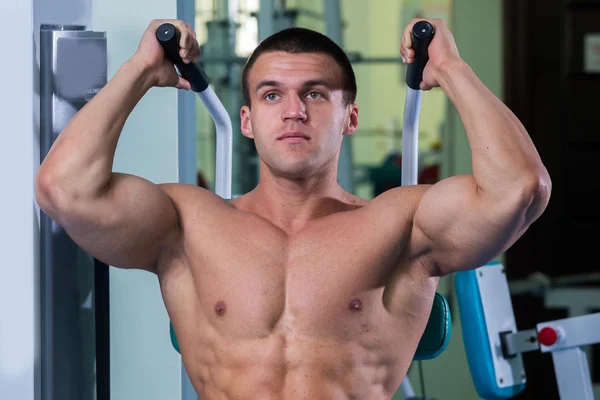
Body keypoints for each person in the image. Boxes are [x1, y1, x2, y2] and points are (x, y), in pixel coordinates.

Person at [35, 18, 551, 399]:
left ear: (350, 118)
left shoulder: (402, 225)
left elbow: (520, 188)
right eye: (272, 95)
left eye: (316, 94)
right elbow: (64, 189)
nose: (294, 111)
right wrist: (142, 69)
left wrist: (450, 68)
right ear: (247, 120)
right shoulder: (187, 223)